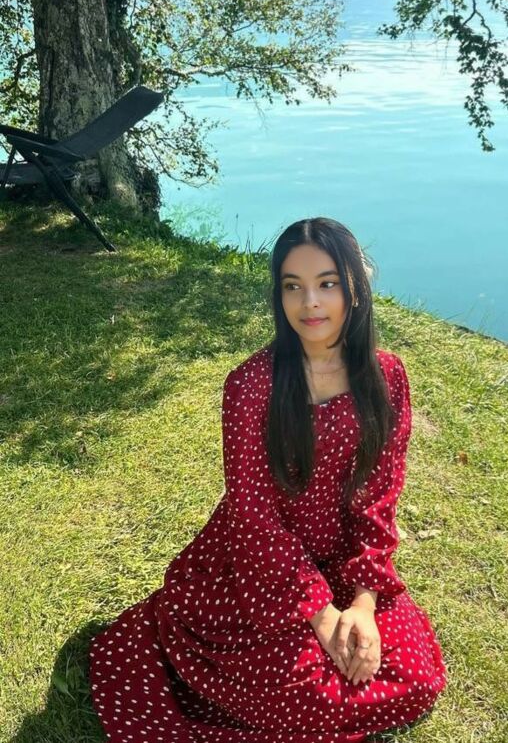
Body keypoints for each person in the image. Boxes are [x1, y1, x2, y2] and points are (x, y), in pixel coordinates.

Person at [88, 217, 448, 743]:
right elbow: (253, 514)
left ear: (355, 287)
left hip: (343, 559)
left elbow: (379, 494)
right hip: (259, 567)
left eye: (327, 283)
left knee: (415, 677)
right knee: (310, 695)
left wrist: (363, 604)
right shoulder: (251, 386)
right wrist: (321, 616)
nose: (310, 303)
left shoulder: (385, 376)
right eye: (292, 286)